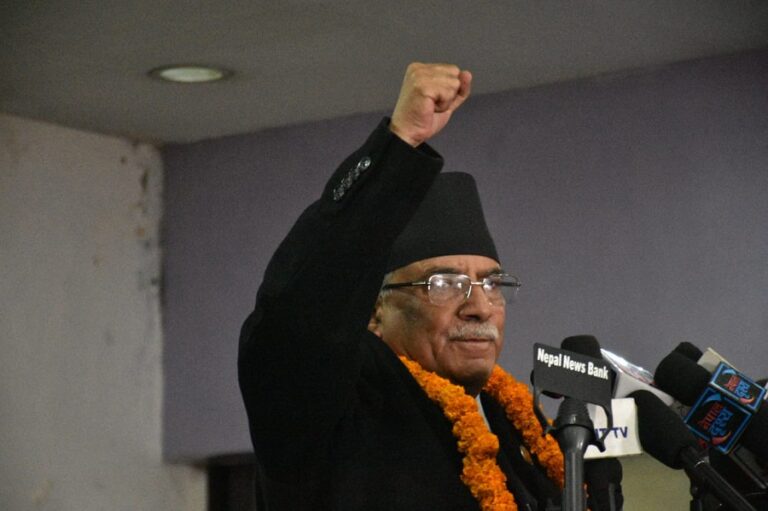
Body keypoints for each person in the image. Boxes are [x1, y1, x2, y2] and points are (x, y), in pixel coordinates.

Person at [238, 63, 565, 511]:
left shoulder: (518, 429)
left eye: (491, 283)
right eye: (445, 283)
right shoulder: (339, 405)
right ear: (374, 310)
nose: (479, 306)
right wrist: (398, 143)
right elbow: (300, 316)